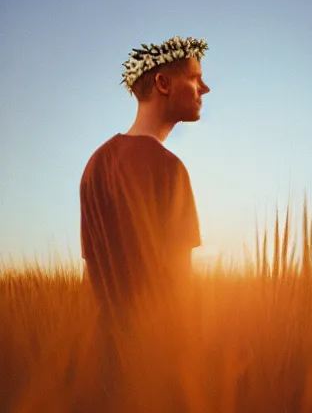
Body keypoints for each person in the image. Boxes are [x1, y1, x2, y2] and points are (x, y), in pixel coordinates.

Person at [78, 36, 210, 404]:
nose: (205, 88)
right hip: (159, 366)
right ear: (163, 84)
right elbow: (179, 285)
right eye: (195, 78)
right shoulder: (170, 170)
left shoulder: (95, 164)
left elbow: (93, 276)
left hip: (106, 365)